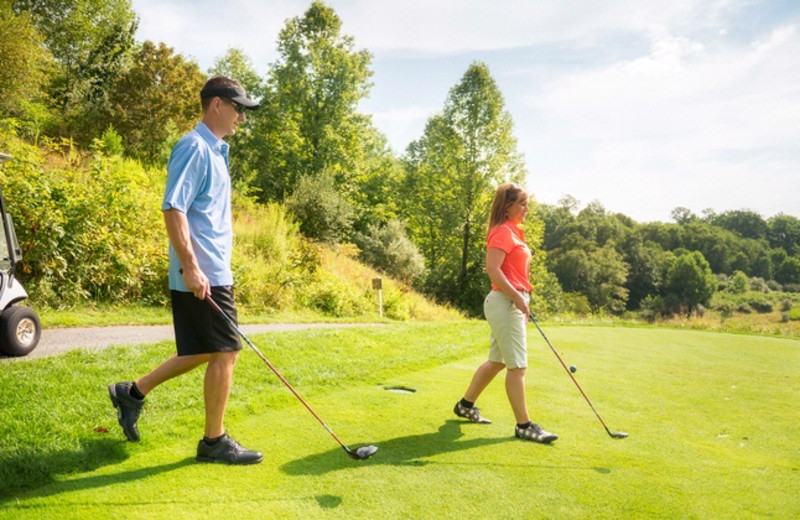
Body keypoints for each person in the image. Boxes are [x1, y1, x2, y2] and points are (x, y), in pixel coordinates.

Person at [108, 76, 263, 464]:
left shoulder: (215, 152)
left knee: (203, 350)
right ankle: (214, 442)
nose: (241, 117)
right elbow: (173, 208)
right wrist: (193, 268)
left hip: (213, 271)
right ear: (216, 105)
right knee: (226, 351)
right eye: (238, 108)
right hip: (202, 272)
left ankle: (132, 393)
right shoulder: (193, 147)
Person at [453, 182, 558, 443]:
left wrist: (524, 300)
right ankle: (524, 425)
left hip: (511, 301)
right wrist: (517, 298)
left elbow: (517, 273)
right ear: (507, 205)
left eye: (527, 203)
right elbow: (493, 269)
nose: (527, 208)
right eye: (522, 203)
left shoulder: (514, 232)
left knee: (498, 361)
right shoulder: (502, 232)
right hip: (504, 302)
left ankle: (465, 405)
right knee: (517, 367)